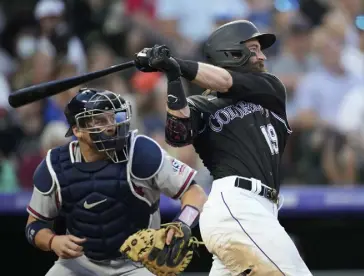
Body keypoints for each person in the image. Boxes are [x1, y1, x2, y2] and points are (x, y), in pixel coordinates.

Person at [135, 20, 312, 275]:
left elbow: (226, 81)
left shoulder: (269, 88)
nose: (262, 55)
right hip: (236, 204)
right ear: (232, 52)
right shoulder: (200, 104)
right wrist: (173, 76)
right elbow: (178, 135)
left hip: (260, 211)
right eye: (254, 48)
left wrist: (176, 64)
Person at [25, 88, 207, 276]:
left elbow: (195, 192)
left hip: (136, 263)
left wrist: (183, 224)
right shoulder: (56, 165)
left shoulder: (141, 150)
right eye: (100, 121)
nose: (111, 126)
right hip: (79, 263)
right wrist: (52, 241)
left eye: (113, 118)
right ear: (77, 130)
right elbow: (34, 225)